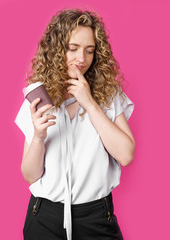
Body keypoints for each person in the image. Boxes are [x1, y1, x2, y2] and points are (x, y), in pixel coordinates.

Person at [14, 8, 135, 240]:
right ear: (57, 49)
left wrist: (90, 103)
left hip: (96, 216)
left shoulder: (109, 95)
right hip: (44, 217)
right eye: (73, 49)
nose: (82, 59)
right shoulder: (39, 96)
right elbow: (30, 175)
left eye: (89, 50)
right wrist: (38, 136)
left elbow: (126, 154)